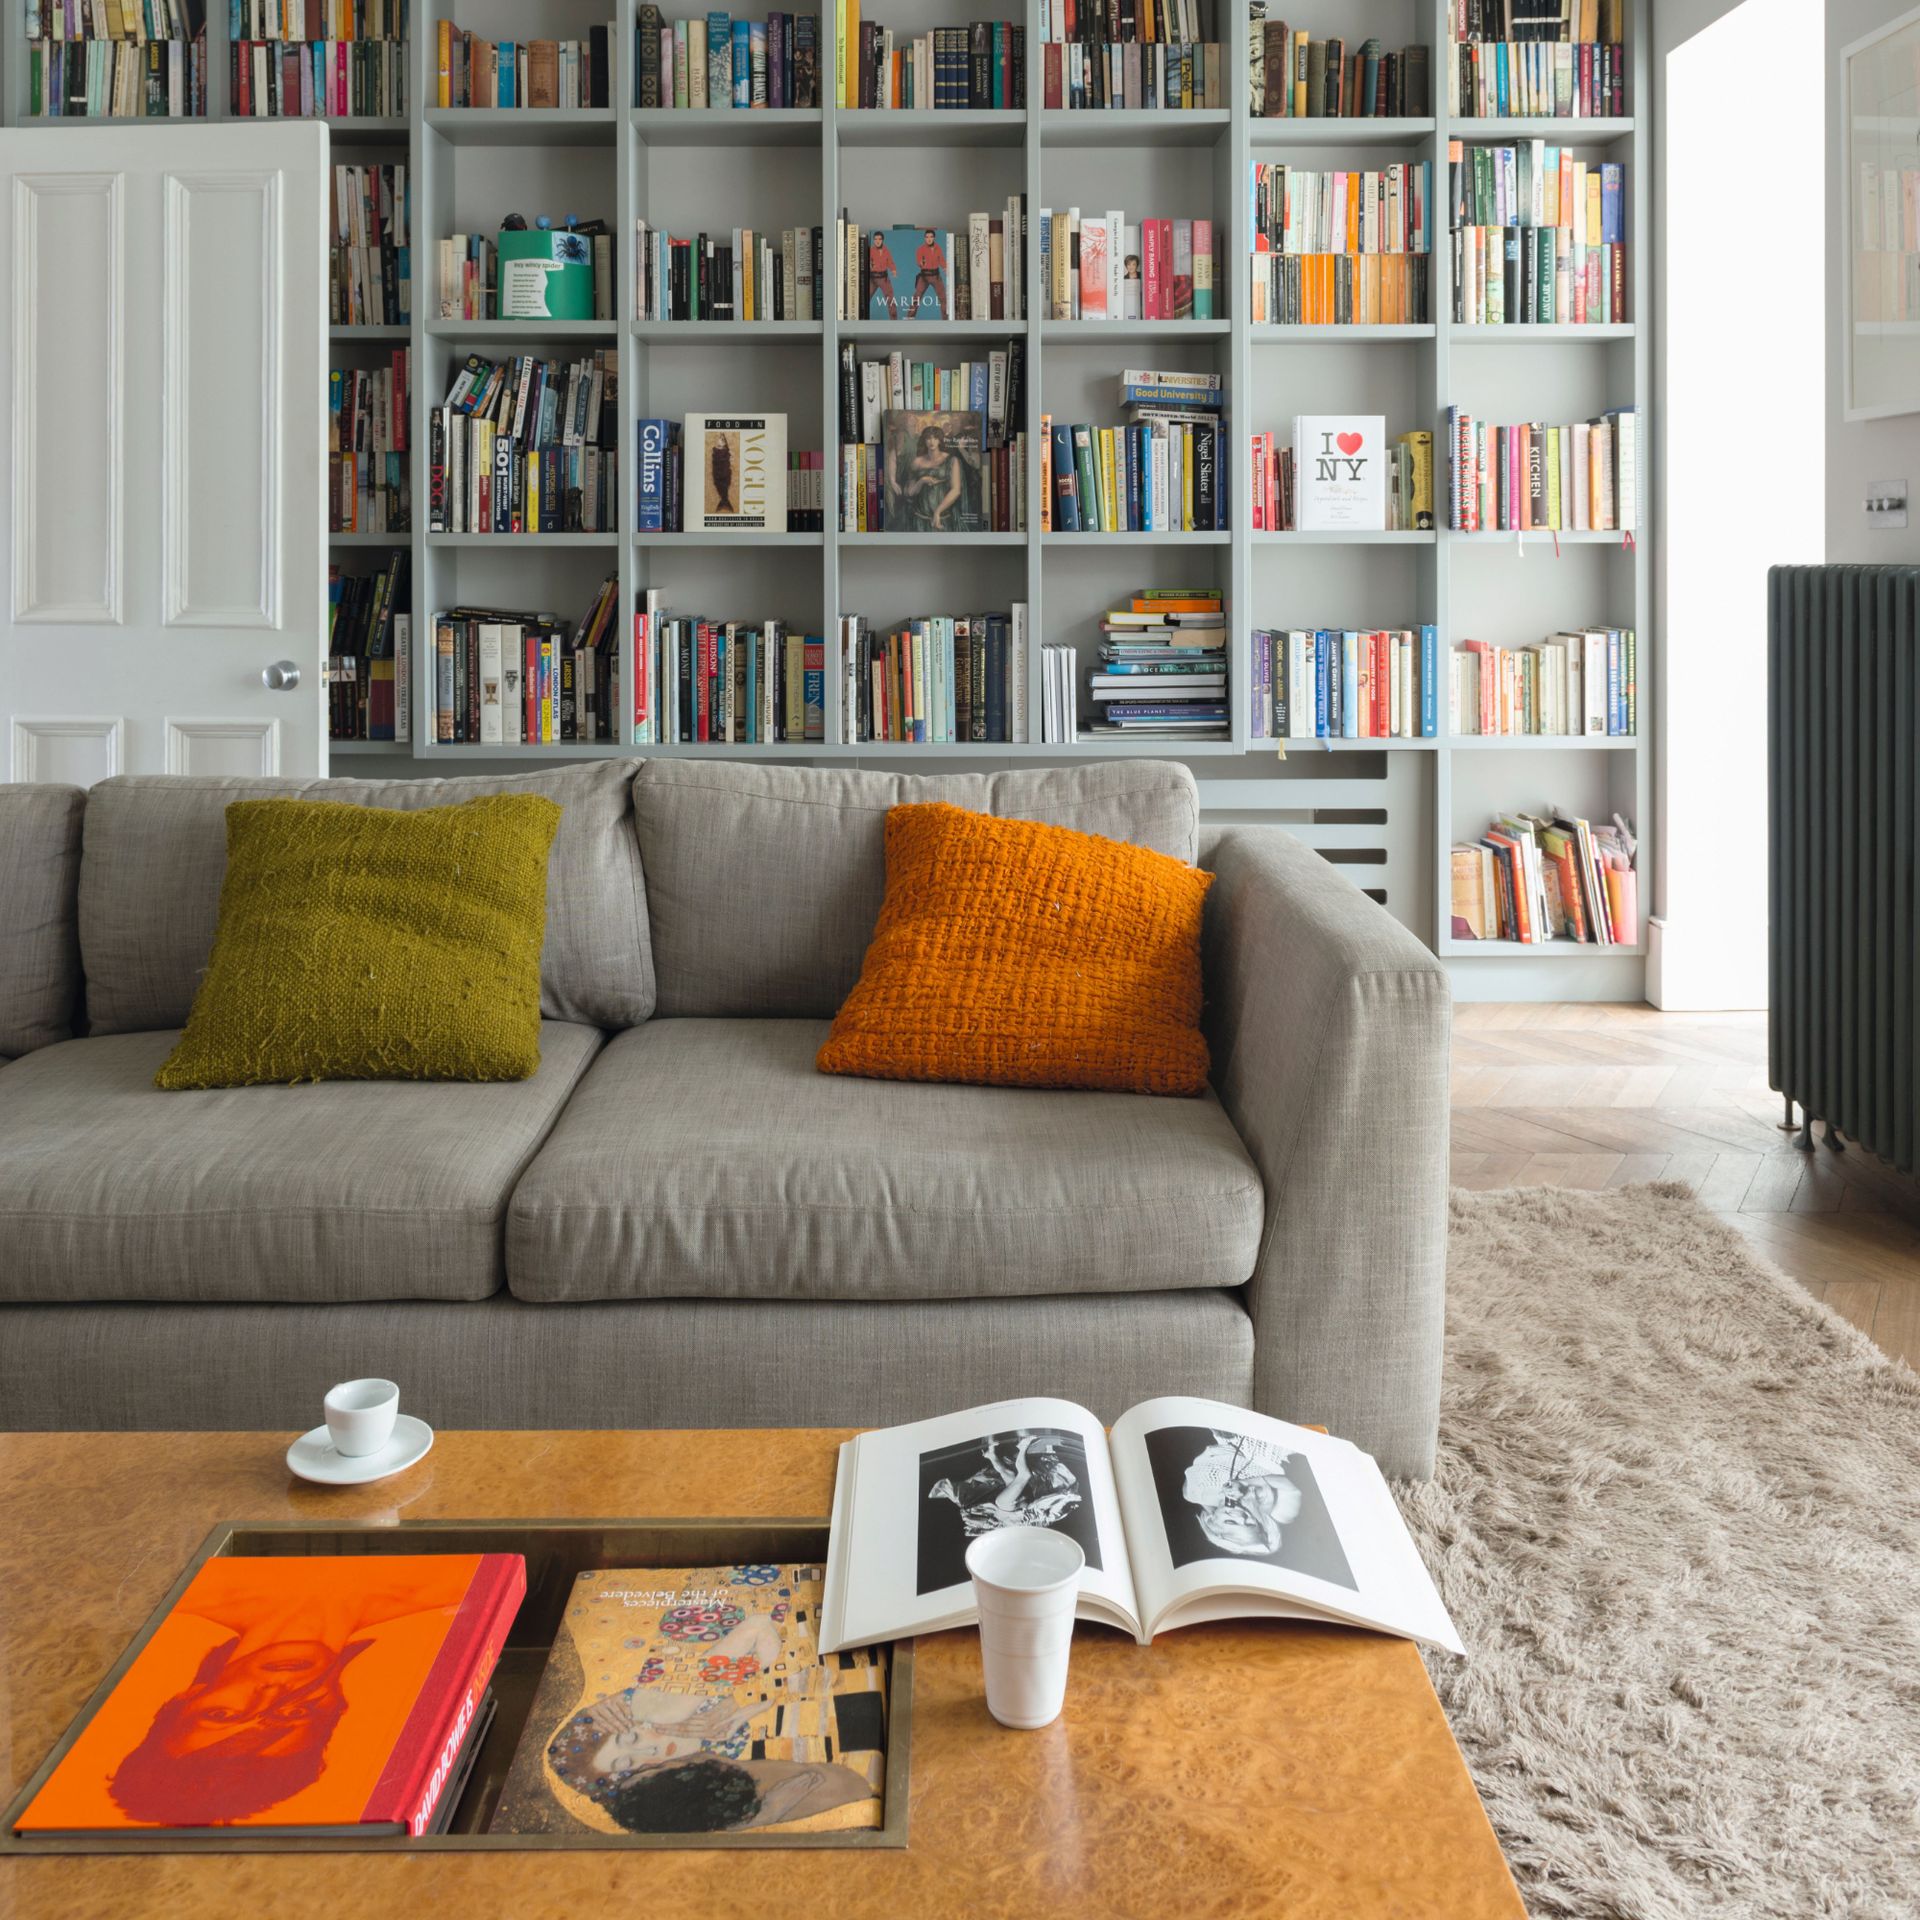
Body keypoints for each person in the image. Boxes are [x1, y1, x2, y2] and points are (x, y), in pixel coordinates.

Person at [107, 1561, 477, 1824]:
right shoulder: (460, 1593)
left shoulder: (178, 1584)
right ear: (336, 1708)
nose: (274, 1694)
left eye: (223, 1715)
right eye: (295, 1715)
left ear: (185, 1698)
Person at [598, 1753, 874, 1834]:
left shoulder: (714, 1788)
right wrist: (768, 1814)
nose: (646, 1763)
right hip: (851, 1789)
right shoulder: (714, 1768)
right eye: (654, 1769)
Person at [928, 1431, 1082, 1537]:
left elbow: (993, 1523)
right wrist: (1065, 1497)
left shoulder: (1012, 1519)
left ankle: (1022, 1447)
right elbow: (1047, 1510)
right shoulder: (1032, 1521)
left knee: (1023, 1476)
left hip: (1005, 1505)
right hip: (1012, 1507)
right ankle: (991, 1456)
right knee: (1010, 1476)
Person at [1180, 1431, 1303, 1557]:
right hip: (1272, 1439)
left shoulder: (1194, 1493)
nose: (1240, 1517)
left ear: (1212, 1520)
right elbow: (1291, 1488)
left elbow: (1201, 1464)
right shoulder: (1277, 1511)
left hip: (1226, 1432)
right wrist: (1245, 1483)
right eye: (1250, 1524)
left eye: (1230, 1522)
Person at [911, 229, 947, 318]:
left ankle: (946, 321)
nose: (929, 239)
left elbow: (941, 260)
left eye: (931, 237)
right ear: (924, 238)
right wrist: (921, 263)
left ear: (934, 238)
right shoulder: (920, 249)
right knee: (916, 298)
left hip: (936, 276)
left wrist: (945, 268)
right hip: (924, 276)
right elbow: (918, 261)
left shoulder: (938, 248)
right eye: (927, 237)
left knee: (943, 299)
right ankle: (909, 319)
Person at [867, 231, 898, 318]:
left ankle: (894, 322)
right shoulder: (871, 250)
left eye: (879, 239)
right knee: (865, 298)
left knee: (891, 300)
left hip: (884, 278)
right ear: (873, 240)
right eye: (875, 239)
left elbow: (890, 262)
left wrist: (894, 270)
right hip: (872, 278)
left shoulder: (886, 250)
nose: (877, 241)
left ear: (882, 240)